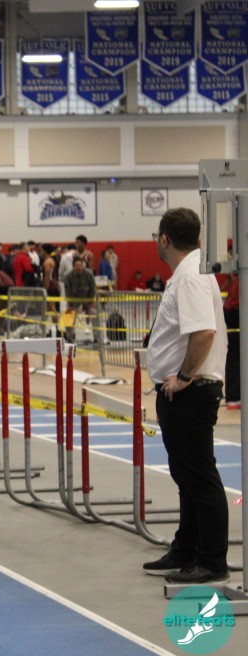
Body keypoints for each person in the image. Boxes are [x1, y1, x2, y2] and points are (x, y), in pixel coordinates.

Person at [142, 208, 229, 585]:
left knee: (198, 476)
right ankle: (187, 548)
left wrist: (183, 377)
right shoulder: (189, 271)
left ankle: (211, 560)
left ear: (164, 239)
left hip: (192, 391)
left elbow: (204, 332)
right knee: (187, 476)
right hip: (185, 391)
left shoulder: (191, 275)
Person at [220, 269, 240, 409]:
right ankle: (234, 398)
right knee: (235, 356)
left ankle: (234, 397)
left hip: (233, 310)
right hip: (235, 311)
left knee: (235, 356)